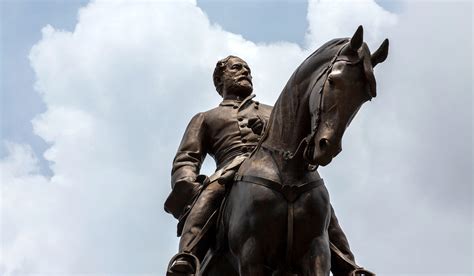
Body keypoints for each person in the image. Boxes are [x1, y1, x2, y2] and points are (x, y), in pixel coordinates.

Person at [164, 56, 358, 275]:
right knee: (210, 194)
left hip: (280, 162)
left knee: (319, 199)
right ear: (220, 80)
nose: (245, 72)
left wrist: (266, 130)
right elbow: (187, 158)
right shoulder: (206, 117)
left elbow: (294, 136)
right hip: (232, 166)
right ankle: (188, 254)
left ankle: (347, 264)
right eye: (236, 68)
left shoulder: (274, 110)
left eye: (247, 69)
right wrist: (188, 181)